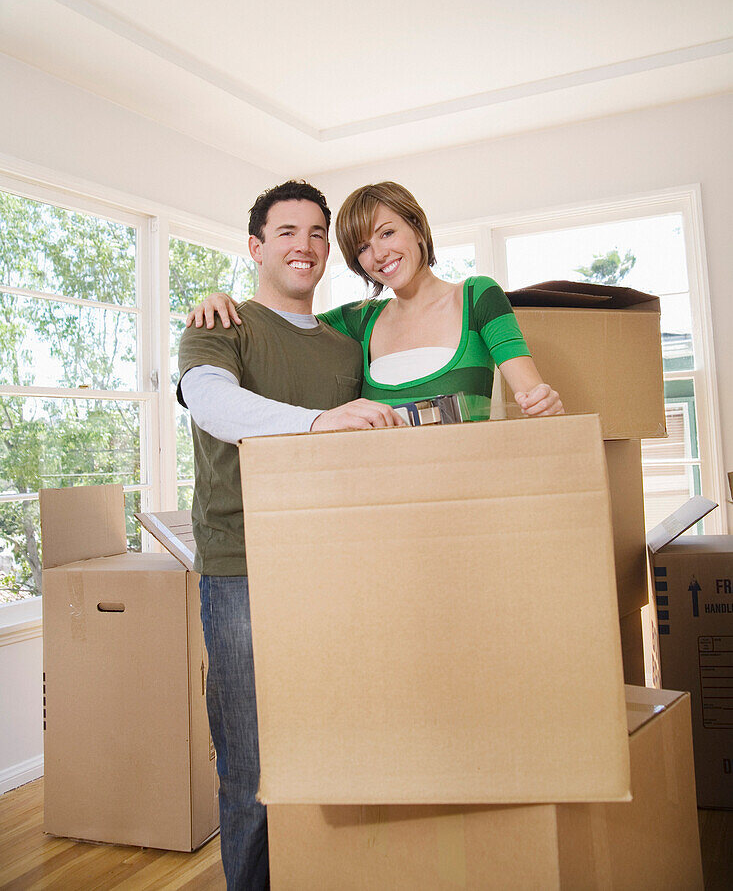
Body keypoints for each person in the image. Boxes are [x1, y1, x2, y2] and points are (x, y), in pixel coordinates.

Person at [177, 180, 401, 891]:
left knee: (337, 744)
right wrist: (316, 421)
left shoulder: (344, 343)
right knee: (250, 765)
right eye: (285, 233)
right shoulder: (218, 324)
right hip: (241, 565)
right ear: (255, 246)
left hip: (333, 565)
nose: (302, 246)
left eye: (315, 233)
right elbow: (213, 403)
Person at [188, 181, 564, 423]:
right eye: (364, 247)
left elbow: (533, 397)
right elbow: (283, 318)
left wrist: (543, 404)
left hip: (465, 495)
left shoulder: (477, 297)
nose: (380, 254)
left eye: (387, 233)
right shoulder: (360, 320)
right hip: (381, 504)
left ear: (417, 228)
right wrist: (223, 301)